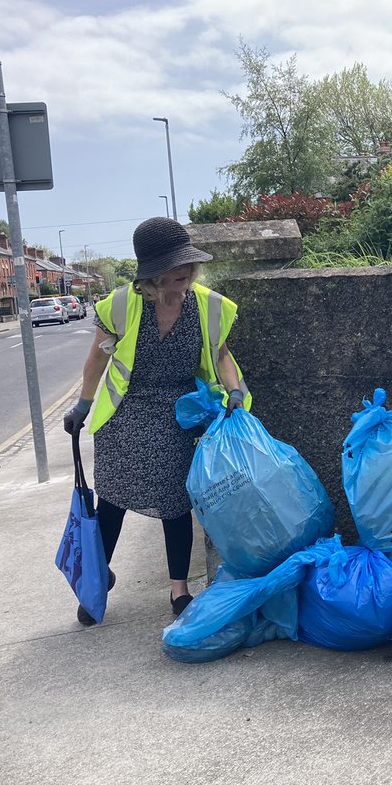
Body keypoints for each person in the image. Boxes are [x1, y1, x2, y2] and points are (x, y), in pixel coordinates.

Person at [63, 217, 249, 625]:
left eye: (188, 262)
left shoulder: (208, 305)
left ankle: (179, 589)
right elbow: (96, 360)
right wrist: (82, 406)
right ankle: (97, 582)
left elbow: (221, 356)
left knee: (175, 501)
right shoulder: (121, 305)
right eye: (173, 264)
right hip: (124, 415)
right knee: (111, 501)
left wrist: (235, 392)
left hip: (178, 415)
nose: (185, 270)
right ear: (152, 272)